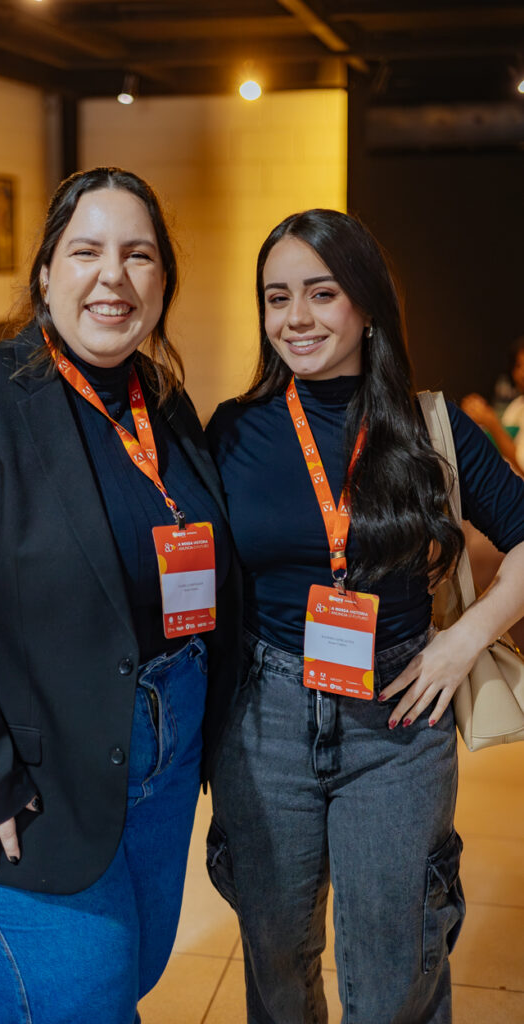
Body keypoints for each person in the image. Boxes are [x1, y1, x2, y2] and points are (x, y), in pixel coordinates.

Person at [0, 167, 240, 1024]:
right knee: (85, 1002)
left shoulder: (163, 405)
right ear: (44, 274)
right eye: (87, 251)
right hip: (22, 776)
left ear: (164, 282)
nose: (114, 276)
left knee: (132, 970)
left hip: (158, 763)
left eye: (139, 255)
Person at [205, 208, 524, 1023]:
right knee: (277, 962)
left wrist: (462, 642)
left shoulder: (429, 425)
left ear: (369, 305)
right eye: (277, 297)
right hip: (265, 720)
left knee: (392, 973)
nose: (296, 318)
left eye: (322, 292)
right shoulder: (235, 430)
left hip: (398, 720)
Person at [461, 335, 524, 472]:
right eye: (518, 365)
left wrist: (491, 422)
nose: (522, 373)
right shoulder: (517, 405)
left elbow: (521, 463)